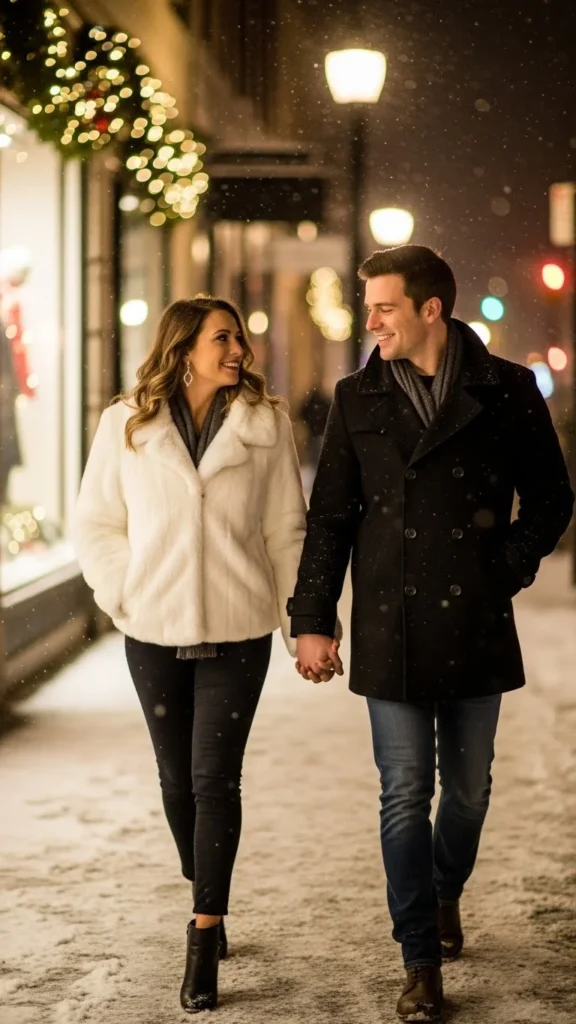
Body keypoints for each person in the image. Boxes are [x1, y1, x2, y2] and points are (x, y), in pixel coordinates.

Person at [288, 246, 574, 1022]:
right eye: (368, 305)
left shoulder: (507, 390)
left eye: (383, 306)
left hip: (475, 621)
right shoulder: (357, 397)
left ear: (429, 310)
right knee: (404, 792)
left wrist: (501, 569)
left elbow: (551, 498)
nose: (370, 319)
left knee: (471, 790)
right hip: (393, 623)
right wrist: (312, 619)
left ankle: (445, 890)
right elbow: (331, 520)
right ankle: (418, 956)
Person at [75, 296, 307, 1014]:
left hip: (238, 632)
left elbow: (287, 533)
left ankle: (204, 937)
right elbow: (96, 522)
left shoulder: (266, 425)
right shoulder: (126, 424)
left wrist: (303, 623)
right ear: (182, 348)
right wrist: (124, 590)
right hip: (154, 629)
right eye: (222, 337)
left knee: (214, 779)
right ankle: (204, 875)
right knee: (175, 779)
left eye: (239, 335)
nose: (237, 348)